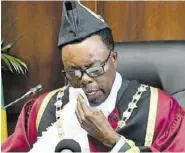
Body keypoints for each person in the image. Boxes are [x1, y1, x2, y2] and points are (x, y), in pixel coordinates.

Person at [2, 1, 185, 152]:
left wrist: (112, 140)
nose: (84, 79)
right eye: (73, 72)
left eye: (94, 69)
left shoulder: (161, 110)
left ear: (114, 59)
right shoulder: (42, 110)